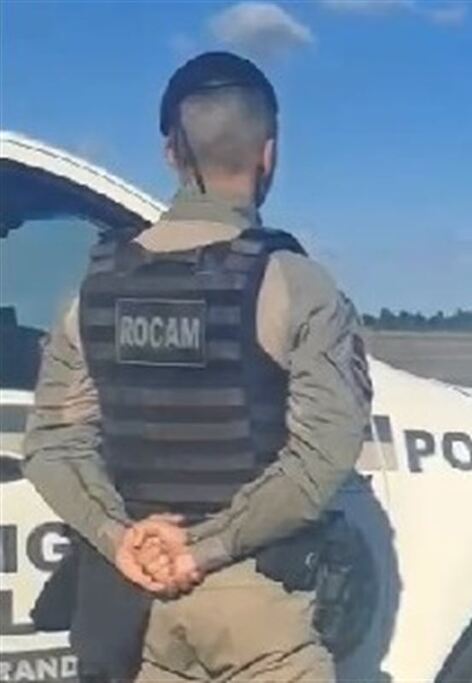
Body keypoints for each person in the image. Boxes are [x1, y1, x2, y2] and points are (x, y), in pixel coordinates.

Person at [24, 51, 372, 681]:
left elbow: (53, 443)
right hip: (256, 614)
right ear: (269, 154)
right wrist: (206, 548)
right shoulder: (293, 284)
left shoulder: (94, 288)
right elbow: (321, 454)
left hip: (135, 608)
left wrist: (118, 538)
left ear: (170, 156)